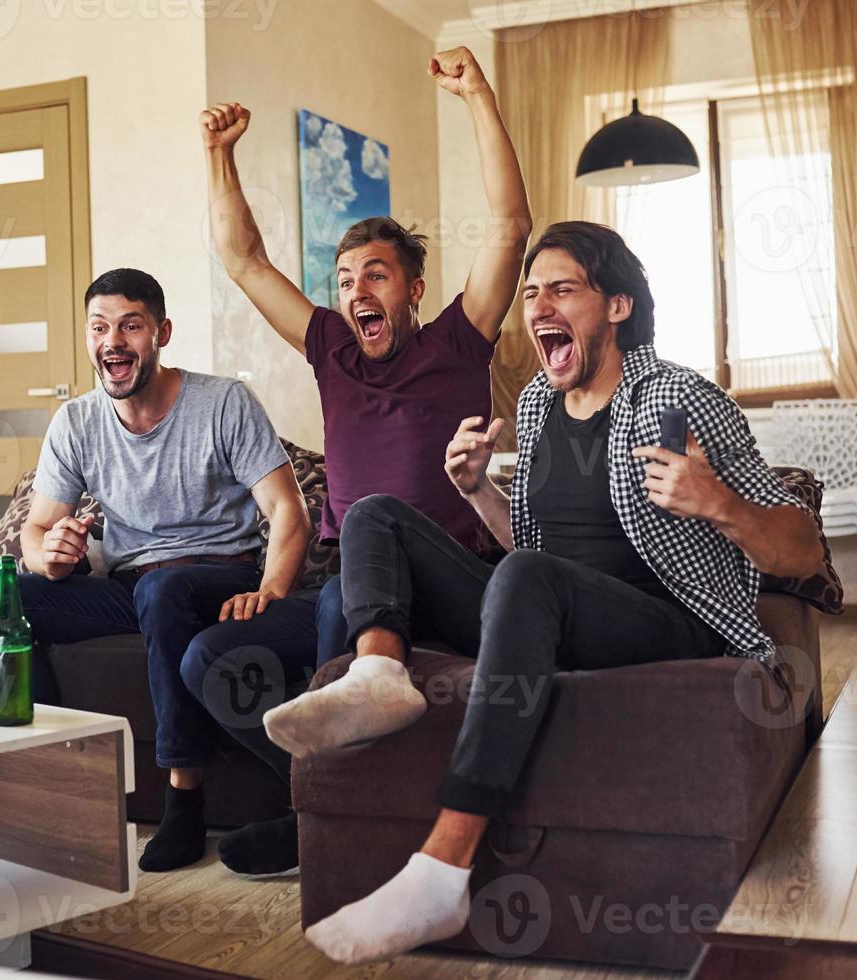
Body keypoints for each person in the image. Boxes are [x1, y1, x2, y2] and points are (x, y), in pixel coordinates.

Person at [279, 222, 826, 963]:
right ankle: (378, 672)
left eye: (562, 290)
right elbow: (529, 553)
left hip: (664, 618)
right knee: (377, 513)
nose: (538, 305)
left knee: (527, 580)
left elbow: (803, 550)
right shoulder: (537, 400)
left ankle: (442, 867)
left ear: (617, 307)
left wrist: (718, 503)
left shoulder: (681, 396)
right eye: (531, 293)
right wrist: (475, 493)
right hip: (552, 607)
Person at [185, 44, 532, 876]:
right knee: (209, 658)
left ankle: (343, 829)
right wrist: (217, 155)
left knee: (341, 639)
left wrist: (478, 95)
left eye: (375, 276)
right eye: (344, 279)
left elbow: (510, 227)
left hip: (444, 571)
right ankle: (323, 804)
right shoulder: (330, 349)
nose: (354, 292)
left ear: (413, 290)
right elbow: (242, 261)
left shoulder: (460, 337)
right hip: (345, 572)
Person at [0, 267, 311, 874]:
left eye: (130, 325)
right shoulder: (76, 423)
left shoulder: (222, 402)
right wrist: (52, 554)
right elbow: (36, 530)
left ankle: (183, 799)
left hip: (217, 576)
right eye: (100, 328)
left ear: (161, 333)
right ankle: (56, 779)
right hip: (134, 588)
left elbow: (289, 510)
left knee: (163, 586)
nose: (113, 341)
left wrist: (272, 592)